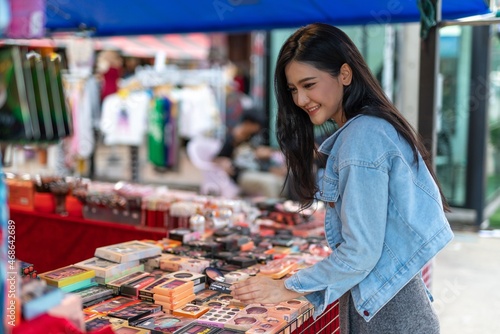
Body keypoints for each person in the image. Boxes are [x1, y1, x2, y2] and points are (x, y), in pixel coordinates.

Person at [230, 23, 454, 333]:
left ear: (345, 74)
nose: (300, 99)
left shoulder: (361, 138)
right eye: (294, 89)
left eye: (309, 84)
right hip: (391, 310)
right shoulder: (368, 128)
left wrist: (288, 288)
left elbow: (361, 252)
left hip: (390, 320)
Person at [214, 109, 286, 198]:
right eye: (256, 125)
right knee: (269, 182)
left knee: (281, 182)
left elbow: (260, 155)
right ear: (248, 123)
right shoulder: (231, 138)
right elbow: (217, 158)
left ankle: (282, 209)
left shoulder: (253, 137)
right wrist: (224, 162)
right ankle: (273, 208)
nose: (258, 128)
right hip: (242, 175)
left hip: (257, 172)